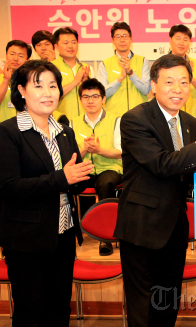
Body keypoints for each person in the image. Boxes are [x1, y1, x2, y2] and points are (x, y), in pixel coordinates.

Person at [114, 54, 196, 327]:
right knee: (143, 306)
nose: (177, 89)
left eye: (183, 82)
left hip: (175, 227)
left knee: (168, 301)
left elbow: (189, 172)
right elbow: (161, 164)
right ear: (153, 85)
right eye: (169, 82)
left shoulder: (190, 122)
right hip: (142, 228)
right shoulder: (135, 119)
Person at [0, 59, 93, 326]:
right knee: (31, 313)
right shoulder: (8, 132)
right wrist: (61, 178)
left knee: (59, 309)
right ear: (21, 91)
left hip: (62, 236)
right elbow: (9, 187)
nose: (48, 93)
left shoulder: (65, 132)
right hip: (26, 239)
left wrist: (79, 177)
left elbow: (70, 183)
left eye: (53, 86)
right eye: (38, 86)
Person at [72, 78, 123, 255]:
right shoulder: (73, 124)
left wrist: (99, 150)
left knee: (105, 183)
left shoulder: (116, 121)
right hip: (84, 169)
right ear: (80, 100)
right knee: (65, 183)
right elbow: (72, 157)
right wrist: (85, 150)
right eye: (86, 97)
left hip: (110, 169)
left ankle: (106, 238)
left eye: (95, 96)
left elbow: (120, 152)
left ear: (103, 99)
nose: (90, 100)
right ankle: (74, 231)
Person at [97, 22, 150, 117]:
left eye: (125, 36)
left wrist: (130, 72)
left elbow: (146, 90)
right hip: (114, 118)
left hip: (140, 116)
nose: (122, 40)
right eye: (118, 36)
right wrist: (120, 79)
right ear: (112, 40)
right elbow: (101, 94)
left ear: (131, 39)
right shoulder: (104, 64)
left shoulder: (142, 61)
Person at [52, 27, 93, 120]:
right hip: (61, 121)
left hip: (85, 121)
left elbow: (94, 96)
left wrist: (86, 82)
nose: (70, 46)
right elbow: (52, 95)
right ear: (56, 47)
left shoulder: (86, 68)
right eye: (65, 43)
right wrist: (75, 82)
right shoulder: (50, 68)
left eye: (74, 42)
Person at [169, 24, 196, 124]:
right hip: (168, 117)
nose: (181, 43)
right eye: (178, 38)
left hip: (191, 118)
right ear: (170, 40)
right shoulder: (162, 63)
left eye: (185, 39)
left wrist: (190, 76)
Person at [0, 40, 32, 122]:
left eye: (21, 56)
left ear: (27, 60)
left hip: (25, 130)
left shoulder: (31, 81)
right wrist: (6, 80)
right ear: (6, 56)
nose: (15, 59)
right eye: (12, 54)